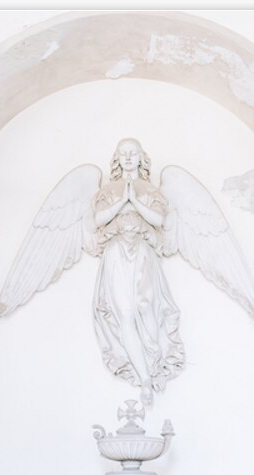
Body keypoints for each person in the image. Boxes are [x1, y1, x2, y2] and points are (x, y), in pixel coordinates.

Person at [91, 139, 185, 404]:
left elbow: (159, 220)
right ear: (117, 158)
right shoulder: (109, 190)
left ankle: (154, 361)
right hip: (116, 251)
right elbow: (99, 220)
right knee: (126, 313)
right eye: (123, 153)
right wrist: (122, 200)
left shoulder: (150, 189)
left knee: (146, 306)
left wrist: (135, 200)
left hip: (143, 250)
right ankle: (144, 377)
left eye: (133, 153)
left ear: (141, 158)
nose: (128, 157)